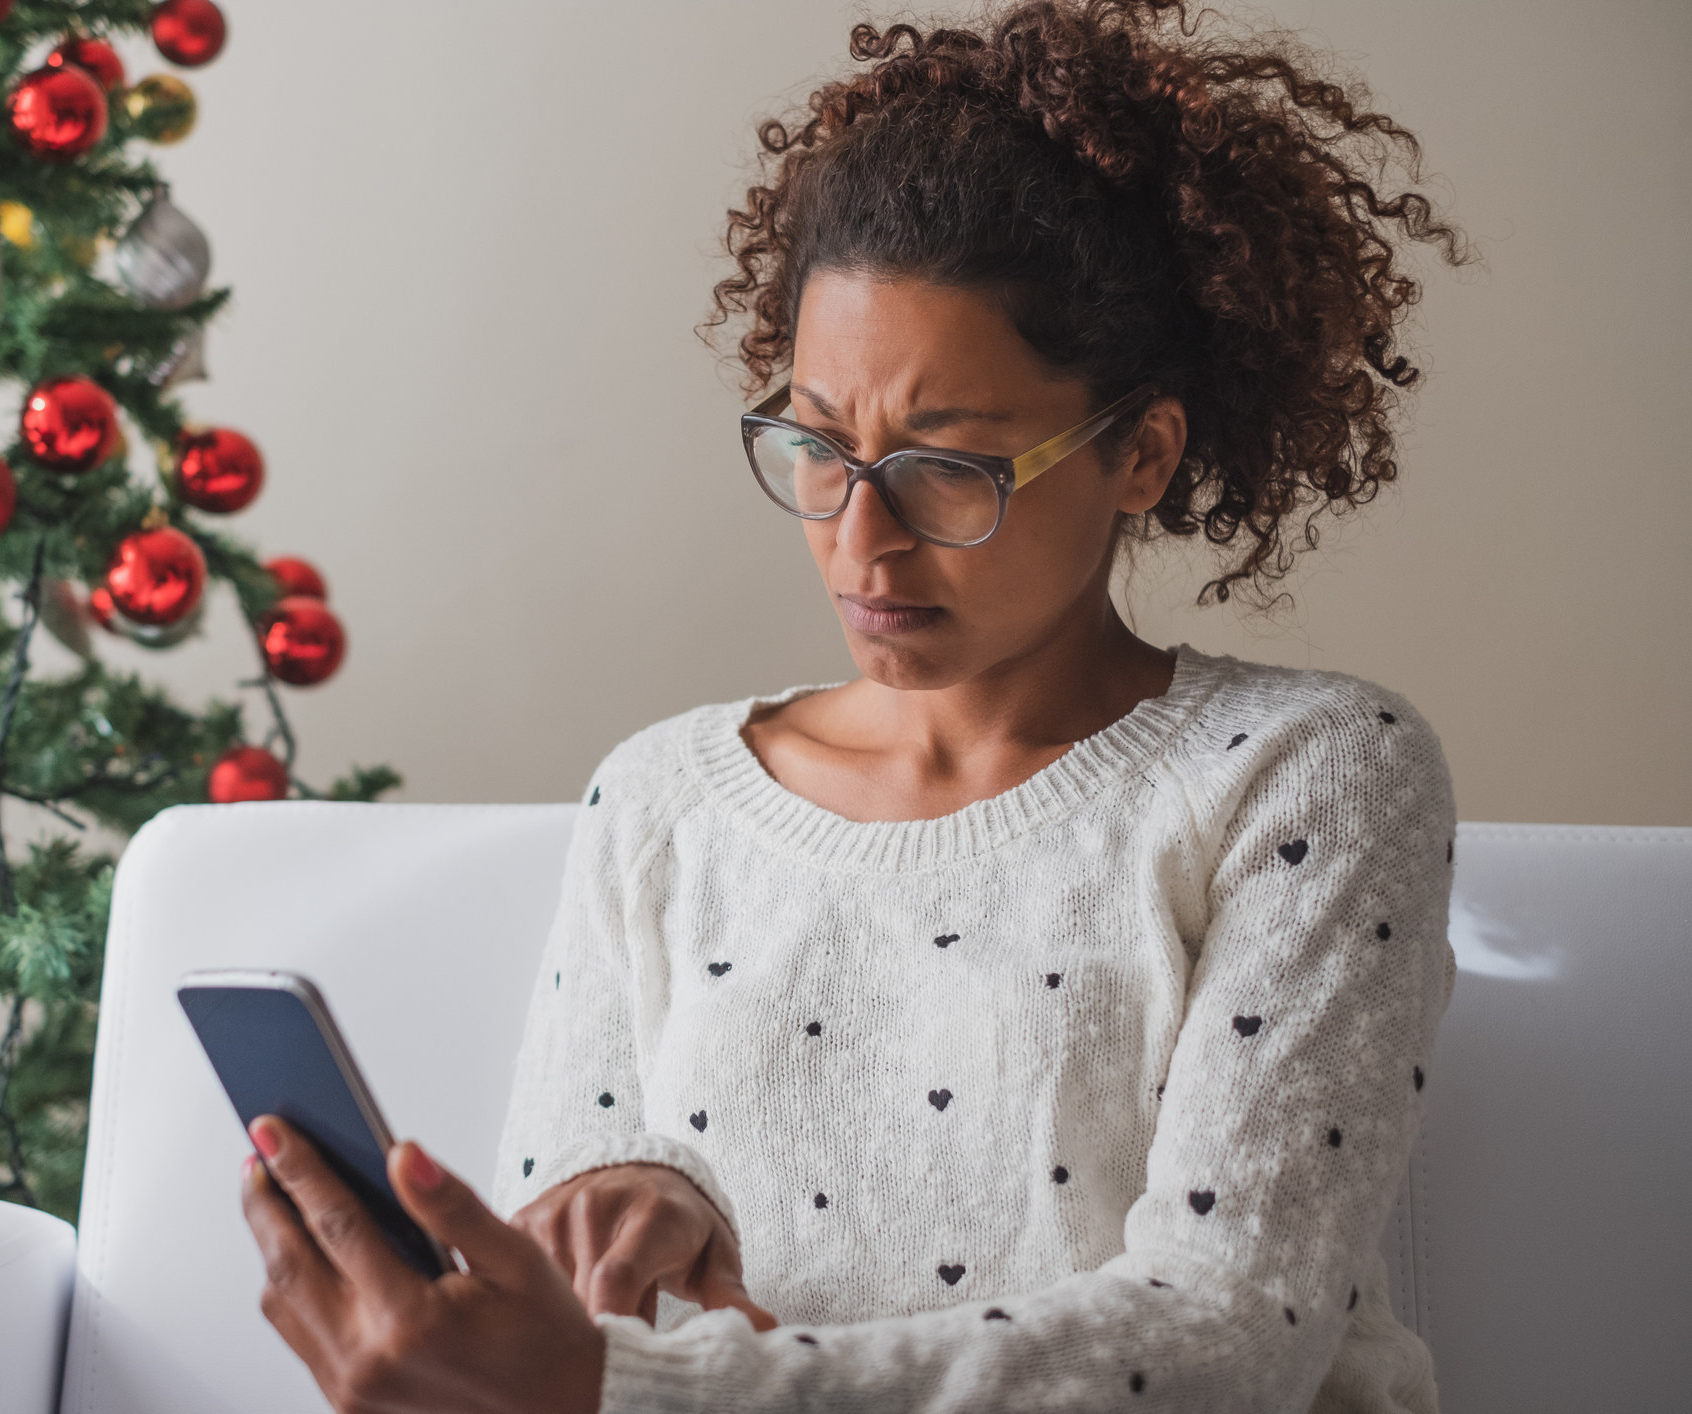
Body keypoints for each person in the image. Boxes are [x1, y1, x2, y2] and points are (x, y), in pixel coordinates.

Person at [237, 2, 1472, 1409]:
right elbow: (561, 1300)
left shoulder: (1308, 772)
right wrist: (624, 1205)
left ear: (1141, 452)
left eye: (948, 467)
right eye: (817, 446)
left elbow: (1226, 1329)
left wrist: (634, 1382)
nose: (858, 540)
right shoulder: (662, 798)